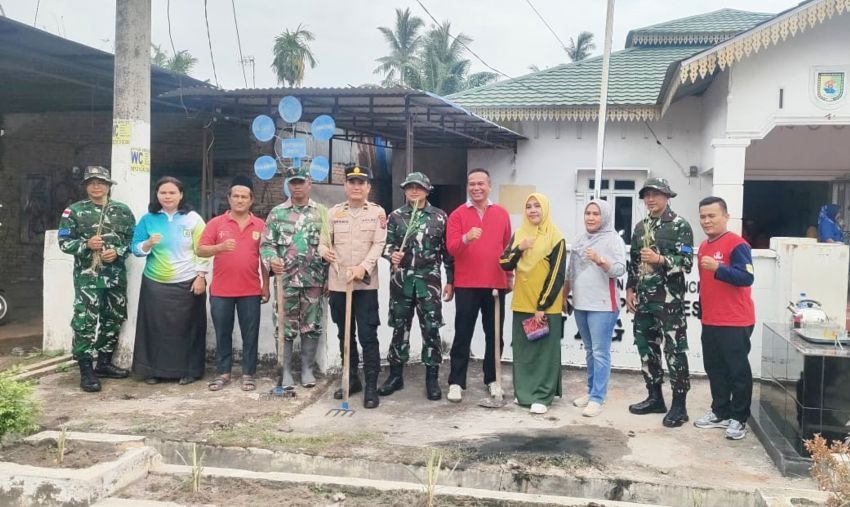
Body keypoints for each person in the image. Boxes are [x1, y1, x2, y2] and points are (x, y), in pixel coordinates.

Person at [57, 166, 136, 392]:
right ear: (85, 186)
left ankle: (103, 363)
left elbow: (132, 239)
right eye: (91, 182)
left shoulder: (122, 211)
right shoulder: (73, 212)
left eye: (101, 182)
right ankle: (85, 368)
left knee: (114, 317)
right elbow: (64, 243)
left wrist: (118, 252)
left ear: (109, 186)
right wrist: (85, 245)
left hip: (115, 276)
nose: (96, 186)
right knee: (86, 321)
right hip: (88, 277)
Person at [378, 172, 454, 401]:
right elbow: (385, 245)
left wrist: (450, 280)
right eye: (409, 187)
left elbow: (447, 252)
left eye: (418, 187)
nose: (413, 191)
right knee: (399, 328)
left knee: (431, 329)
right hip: (402, 282)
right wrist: (392, 255)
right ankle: (395, 375)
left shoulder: (439, 217)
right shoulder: (396, 216)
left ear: (427, 190)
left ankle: (431, 378)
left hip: (428, 281)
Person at [625, 177, 694, 428]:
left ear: (667, 196)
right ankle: (655, 397)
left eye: (655, 194)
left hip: (669, 302)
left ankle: (679, 405)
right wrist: (630, 288)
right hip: (644, 301)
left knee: (674, 351)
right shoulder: (640, 227)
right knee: (646, 348)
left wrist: (660, 259)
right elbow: (633, 262)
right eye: (646, 195)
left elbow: (686, 263)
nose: (650, 199)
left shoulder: (680, 226)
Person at [319, 165, 387, 409]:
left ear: (368, 187)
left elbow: (379, 245)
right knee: (344, 335)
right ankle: (351, 380)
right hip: (339, 284)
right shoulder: (333, 213)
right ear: (346, 186)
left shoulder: (377, 213)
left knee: (368, 336)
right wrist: (323, 251)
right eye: (352, 182)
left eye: (361, 182)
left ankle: (370, 386)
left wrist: (363, 268)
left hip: (365, 285)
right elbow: (323, 243)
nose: (356, 187)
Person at [132, 176, 209, 385]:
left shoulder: (193, 219)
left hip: (188, 282)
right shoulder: (148, 219)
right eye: (163, 192)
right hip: (155, 283)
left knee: (188, 329)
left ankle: (189, 371)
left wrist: (201, 276)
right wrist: (147, 243)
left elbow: (203, 250)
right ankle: (154, 371)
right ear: (157, 195)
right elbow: (135, 248)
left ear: (181, 195)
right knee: (156, 329)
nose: (168, 196)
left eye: (172, 192)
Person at [445, 168, 513, 403]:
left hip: (495, 283)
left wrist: (509, 276)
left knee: (494, 335)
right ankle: (456, 382)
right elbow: (451, 248)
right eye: (472, 184)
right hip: (466, 284)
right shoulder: (457, 215)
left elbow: (507, 249)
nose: (476, 188)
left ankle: (493, 379)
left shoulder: (502, 214)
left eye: (480, 184)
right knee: (463, 333)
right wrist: (466, 238)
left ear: (489, 185)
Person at [198, 176, 270, 392]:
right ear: (229, 198)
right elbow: (200, 250)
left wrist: (265, 286)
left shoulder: (260, 225)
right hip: (221, 290)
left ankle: (248, 374)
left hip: (250, 289)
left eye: (244, 197)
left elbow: (265, 259)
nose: (239, 200)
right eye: (236, 196)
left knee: (250, 333)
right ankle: (223, 373)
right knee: (222, 333)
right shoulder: (216, 223)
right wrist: (218, 248)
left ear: (251, 200)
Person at [693, 196, 755, 441]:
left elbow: (746, 277)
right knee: (714, 368)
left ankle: (739, 418)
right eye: (703, 216)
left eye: (712, 216)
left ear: (726, 216)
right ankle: (720, 411)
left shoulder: (737, 245)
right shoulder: (704, 246)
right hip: (711, 320)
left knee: (737, 371)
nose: (707, 221)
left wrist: (719, 268)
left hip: (735, 320)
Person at [260, 166, 328, 389]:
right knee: (284, 326)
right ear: (288, 185)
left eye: (301, 182)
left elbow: (330, 245)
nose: (297, 187)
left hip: (313, 280)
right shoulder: (277, 213)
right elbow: (266, 244)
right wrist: (272, 260)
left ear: (309, 184)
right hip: (285, 281)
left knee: (311, 325)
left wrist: (328, 276)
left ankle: (307, 369)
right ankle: (286, 371)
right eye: (293, 182)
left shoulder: (322, 213)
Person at [499, 193, 565, 415]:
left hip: (545, 307)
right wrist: (520, 248)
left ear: (545, 209)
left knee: (544, 352)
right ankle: (525, 392)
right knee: (524, 350)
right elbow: (504, 262)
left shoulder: (556, 237)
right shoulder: (519, 234)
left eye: (537, 206)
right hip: (522, 303)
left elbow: (557, 275)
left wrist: (542, 306)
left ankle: (542, 396)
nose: (533, 210)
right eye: (528, 206)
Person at [564, 199, 627, 417]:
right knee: (590, 351)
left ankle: (598, 398)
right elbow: (570, 272)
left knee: (600, 352)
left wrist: (600, 260)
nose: (591, 217)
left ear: (605, 217)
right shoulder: (579, 240)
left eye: (596, 214)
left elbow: (620, 269)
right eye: (588, 213)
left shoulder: (613, 239)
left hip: (602, 305)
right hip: (581, 303)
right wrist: (564, 296)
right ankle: (590, 392)